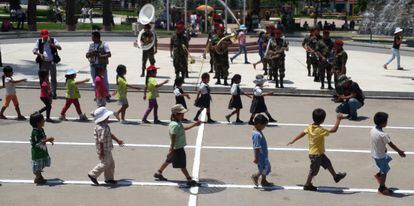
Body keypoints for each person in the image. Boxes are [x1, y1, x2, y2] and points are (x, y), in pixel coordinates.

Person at [287, 109, 346, 191]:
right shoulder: (320, 130)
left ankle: (335, 177)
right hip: (316, 155)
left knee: (328, 163)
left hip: (319, 153)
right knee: (313, 171)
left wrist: (293, 140)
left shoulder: (310, 126)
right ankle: (307, 184)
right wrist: (338, 120)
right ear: (323, 120)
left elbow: (303, 133)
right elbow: (334, 130)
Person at [153, 104, 201, 187]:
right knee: (182, 165)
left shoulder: (177, 123)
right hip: (177, 148)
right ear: (176, 114)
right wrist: (171, 150)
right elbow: (173, 138)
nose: (183, 115)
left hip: (175, 147)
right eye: (182, 114)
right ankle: (189, 180)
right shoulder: (175, 125)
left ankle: (158, 173)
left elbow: (183, 129)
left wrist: (194, 125)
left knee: (168, 160)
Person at [370, 112, 406, 195]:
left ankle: (379, 175)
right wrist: (399, 151)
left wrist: (383, 147)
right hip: (380, 156)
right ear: (383, 123)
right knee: (384, 171)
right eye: (386, 121)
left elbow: (376, 140)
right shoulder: (383, 135)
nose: (387, 122)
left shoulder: (373, 129)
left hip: (375, 154)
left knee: (388, 158)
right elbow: (391, 144)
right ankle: (381, 188)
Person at [88, 107, 125, 185]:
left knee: (111, 163)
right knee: (105, 163)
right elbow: (101, 141)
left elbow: (110, 135)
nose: (108, 118)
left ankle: (109, 178)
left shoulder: (103, 125)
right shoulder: (103, 128)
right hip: (104, 149)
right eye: (107, 116)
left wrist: (117, 140)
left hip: (107, 148)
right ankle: (93, 174)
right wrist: (101, 152)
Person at [33, 29, 62, 99]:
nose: (45, 38)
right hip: (43, 62)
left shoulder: (52, 40)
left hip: (52, 62)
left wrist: (51, 44)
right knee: (44, 79)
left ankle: (54, 93)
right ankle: (47, 93)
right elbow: (34, 50)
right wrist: (39, 54)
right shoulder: (39, 41)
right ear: (41, 36)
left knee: (53, 78)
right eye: (44, 36)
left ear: (48, 35)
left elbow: (60, 48)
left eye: (46, 36)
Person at [29, 112, 55, 185]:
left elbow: (43, 138)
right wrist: (48, 139)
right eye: (42, 120)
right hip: (37, 152)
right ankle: (38, 178)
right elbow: (38, 142)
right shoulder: (35, 132)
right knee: (37, 165)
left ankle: (39, 177)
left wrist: (49, 140)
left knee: (42, 164)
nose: (44, 121)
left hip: (42, 150)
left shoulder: (41, 129)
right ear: (38, 123)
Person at [86, 31, 111, 100]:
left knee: (104, 81)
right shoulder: (91, 45)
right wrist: (91, 53)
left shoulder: (104, 44)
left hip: (102, 66)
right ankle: (97, 95)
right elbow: (87, 55)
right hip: (93, 65)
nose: (91, 38)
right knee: (95, 81)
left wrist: (100, 56)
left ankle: (106, 95)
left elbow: (109, 54)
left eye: (92, 36)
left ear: (96, 37)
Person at [251, 114, 274, 187]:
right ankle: (256, 176)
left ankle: (263, 180)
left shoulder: (257, 131)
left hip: (263, 154)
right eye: (264, 125)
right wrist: (256, 157)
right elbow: (256, 147)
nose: (264, 127)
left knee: (266, 167)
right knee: (264, 168)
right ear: (258, 124)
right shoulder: (257, 134)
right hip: (261, 155)